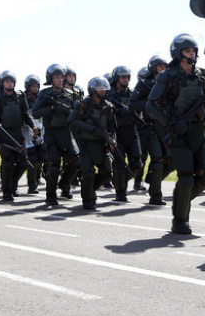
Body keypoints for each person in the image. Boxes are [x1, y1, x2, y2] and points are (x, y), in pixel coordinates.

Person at [146, 34, 205, 234]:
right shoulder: (167, 76)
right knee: (187, 178)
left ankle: (181, 203)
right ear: (178, 54)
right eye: (188, 51)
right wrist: (171, 122)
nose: (193, 54)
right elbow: (150, 106)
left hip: (197, 131)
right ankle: (180, 220)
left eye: (194, 51)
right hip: (178, 133)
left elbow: (203, 108)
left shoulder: (200, 76)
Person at [30, 64, 80, 206]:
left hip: (67, 132)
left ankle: (64, 183)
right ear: (50, 79)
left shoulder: (72, 94)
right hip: (51, 133)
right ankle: (50, 196)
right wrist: (51, 108)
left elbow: (78, 112)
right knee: (54, 165)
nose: (59, 80)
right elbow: (35, 112)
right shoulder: (45, 94)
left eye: (61, 77)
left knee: (76, 161)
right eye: (56, 78)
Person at [67, 77, 117, 211]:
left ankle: (88, 189)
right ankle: (88, 199)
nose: (102, 91)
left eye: (104, 89)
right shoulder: (83, 104)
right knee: (88, 173)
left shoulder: (109, 106)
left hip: (102, 144)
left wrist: (112, 141)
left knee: (107, 173)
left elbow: (112, 127)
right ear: (93, 90)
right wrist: (93, 129)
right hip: (86, 143)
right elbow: (72, 121)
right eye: (99, 88)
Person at [0, 71, 38, 202]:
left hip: (18, 132)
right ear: (2, 83)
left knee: (23, 163)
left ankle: (13, 185)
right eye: (7, 81)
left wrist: (33, 126)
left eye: (11, 81)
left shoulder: (20, 96)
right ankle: (7, 191)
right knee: (8, 163)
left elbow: (26, 114)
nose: (9, 84)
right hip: (3, 134)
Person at [130, 55, 170, 206]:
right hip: (151, 128)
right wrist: (150, 102)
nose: (163, 69)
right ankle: (156, 195)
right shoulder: (144, 84)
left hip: (166, 127)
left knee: (171, 161)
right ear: (153, 68)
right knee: (157, 161)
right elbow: (132, 105)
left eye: (165, 67)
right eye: (160, 66)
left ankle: (152, 181)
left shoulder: (169, 84)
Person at [106, 65, 144, 202]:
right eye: (123, 77)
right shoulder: (110, 95)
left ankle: (119, 181)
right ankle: (120, 192)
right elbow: (103, 110)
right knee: (119, 164)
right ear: (117, 78)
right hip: (117, 131)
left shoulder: (132, 93)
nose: (126, 80)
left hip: (132, 131)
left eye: (127, 77)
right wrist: (115, 110)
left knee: (137, 164)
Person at [21, 74, 45, 195]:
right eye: (33, 86)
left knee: (41, 157)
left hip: (40, 129)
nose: (35, 88)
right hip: (27, 131)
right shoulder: (23, 98)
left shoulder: (41, 98)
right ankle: (32, 185)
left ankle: (37, 178)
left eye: (36, 86)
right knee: (32, 159)